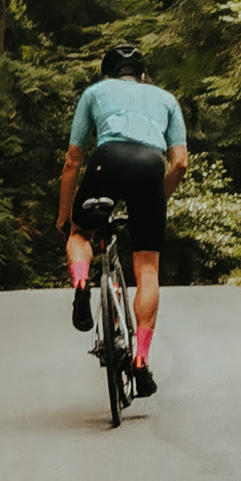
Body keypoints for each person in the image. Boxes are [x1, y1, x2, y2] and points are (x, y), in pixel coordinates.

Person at [55, 44, 188, 398]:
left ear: (107, 74)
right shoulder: (166, 99)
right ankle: (141, 359)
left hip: (107, 160)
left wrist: (66, 213)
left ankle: (82, 284)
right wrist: (159, 197)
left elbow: (72, 159)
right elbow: (180, 163)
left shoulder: (95, 93)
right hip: (149, 167)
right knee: (147, 269)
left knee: (81, 233)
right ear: (142, 76)